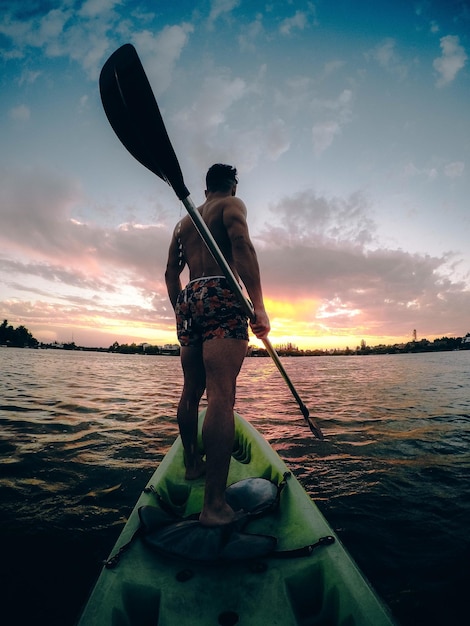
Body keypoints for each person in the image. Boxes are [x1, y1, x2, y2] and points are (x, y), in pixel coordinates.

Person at [165, 163, 270, 527]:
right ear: (232, 186)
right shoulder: (232, 205)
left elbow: (169, 273)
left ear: (205, 187)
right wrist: (258, 305)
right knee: (221, 395)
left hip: (190, 296)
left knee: (191, 390)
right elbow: (241, 244)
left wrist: (181, 307)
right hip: (223, 292)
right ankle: (214, 506)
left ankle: (193, 464)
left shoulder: (184, 223)